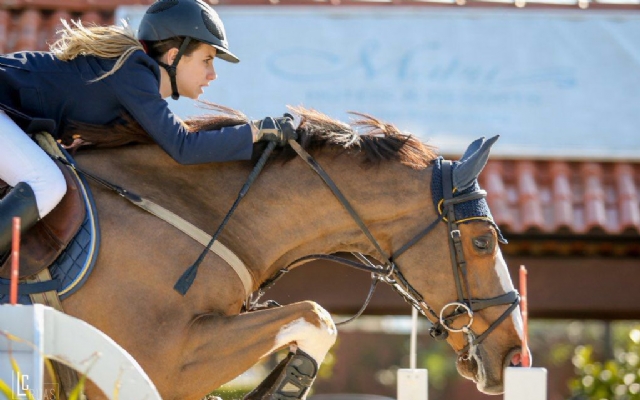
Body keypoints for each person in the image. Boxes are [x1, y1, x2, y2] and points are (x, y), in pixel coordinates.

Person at [0, 0, 296, 254]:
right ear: (173, 56)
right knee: (48, 184)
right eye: (207, 60)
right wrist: (255, 131)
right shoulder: (134, 72)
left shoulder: (134, 78)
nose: (213, 74)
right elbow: (183, 147)